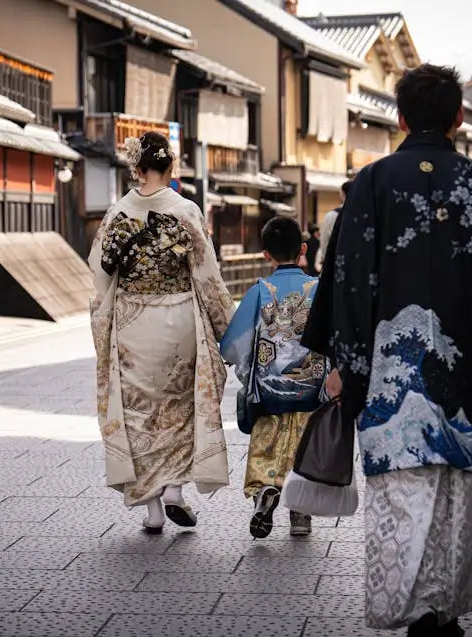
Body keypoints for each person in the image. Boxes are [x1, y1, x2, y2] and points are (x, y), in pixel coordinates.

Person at [304, 64, 472, 636]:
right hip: (470, 380)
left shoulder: (371, 185)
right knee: (459, 500)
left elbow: (349, 284)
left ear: (400, 117)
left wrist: (342, 368)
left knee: (401, 499)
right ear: (458, 118)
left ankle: (416, 613)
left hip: (387, 381)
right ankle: (445, 610)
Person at [88, 131, 234, 534]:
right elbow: (207, 275)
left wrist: (108, 321)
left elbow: (100, 277)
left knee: (139, 416)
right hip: (178, 320)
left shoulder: (117, 213)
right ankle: (174, 489)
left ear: (137, 167)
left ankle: (152, 511)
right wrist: (227, 328)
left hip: (134, 324)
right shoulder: (185, 210)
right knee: (180, 408)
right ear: (171, 167)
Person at [220, 216, 327, 538]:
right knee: (306, 448)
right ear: (303, 249)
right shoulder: (320, 289)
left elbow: (234, 345)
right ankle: (301, 514)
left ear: (266, 254)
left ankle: (265, 489)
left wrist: (231, 359)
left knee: (266, 444)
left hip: (269, 391)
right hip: (312, 388)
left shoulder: (260, 291)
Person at [315, 180, 351, 273]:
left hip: (335, 262)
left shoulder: (332, 215)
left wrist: (325, 258)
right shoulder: (366, 214)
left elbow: (324, 241)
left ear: (342, 194)